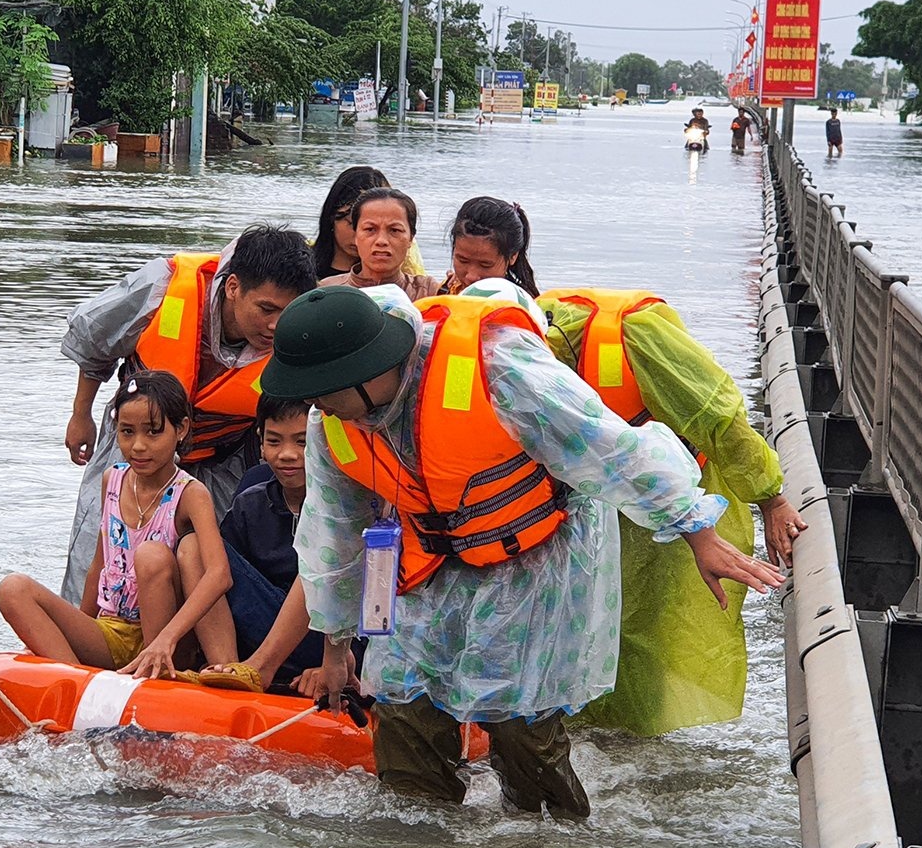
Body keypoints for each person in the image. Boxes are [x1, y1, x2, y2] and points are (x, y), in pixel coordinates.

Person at [264, 282, 784, 817]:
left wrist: (695, 530)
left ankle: (554, 839)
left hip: (538, 558)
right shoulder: (330, 420)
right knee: (401, 707)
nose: (317, 405)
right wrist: (336, 651)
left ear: (370, 371)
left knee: (520, 727)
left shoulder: (502, 368)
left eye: (326, 391)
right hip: (431, 560)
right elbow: (334, 534)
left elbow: (606, 447)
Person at [443, 195, 808, 736]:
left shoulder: (631, 335)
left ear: (513, 261)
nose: (469, 277)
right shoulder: (462, 331)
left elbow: (718, 413)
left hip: (662, 505)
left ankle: (635, 744)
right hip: (570, 507)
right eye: (461, 262)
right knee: (567, 632)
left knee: (646, 633)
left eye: (484, 267)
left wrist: (770, 497)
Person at [59, 224, 316, 600]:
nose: (276, 325)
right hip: (135, 446)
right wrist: (80, 414)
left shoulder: (303, 334)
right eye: (265, 309)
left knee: (205, 565)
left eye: (287, 313)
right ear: (232, 288)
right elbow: (94, 339)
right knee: (101, 555)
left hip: (222, 459)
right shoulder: (164, 285)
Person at [0, 371, 231, 679]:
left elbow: (219, 575)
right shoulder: (113, 479)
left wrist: (165, 640)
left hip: (166, 640)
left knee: (151, 554)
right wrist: (74, 628)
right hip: (111, 631)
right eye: (126, 432)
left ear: (181, 429)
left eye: (153, 432)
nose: (138, 446)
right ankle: (76, 682)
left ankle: (154, 675)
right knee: (12, 588)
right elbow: (99, 563)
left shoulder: (190, 494)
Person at [181, 395, 328, 694]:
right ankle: (229, 669)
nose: (287, 454)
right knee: (194, 546)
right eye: (274, 442)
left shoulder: (343, 507)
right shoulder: (251, 502)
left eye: (302, 442)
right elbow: (222, 580)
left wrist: (333, 661)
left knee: (321, 557)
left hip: (327, 637)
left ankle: (257, 669)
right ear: (260, 442)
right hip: (261, 626)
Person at [316, 188, 439, 301]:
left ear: (411, 238)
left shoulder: (428, 292)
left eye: (395, 230)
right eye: (370, 229)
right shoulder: (326, 292)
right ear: (356, 236)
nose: (381, 241)